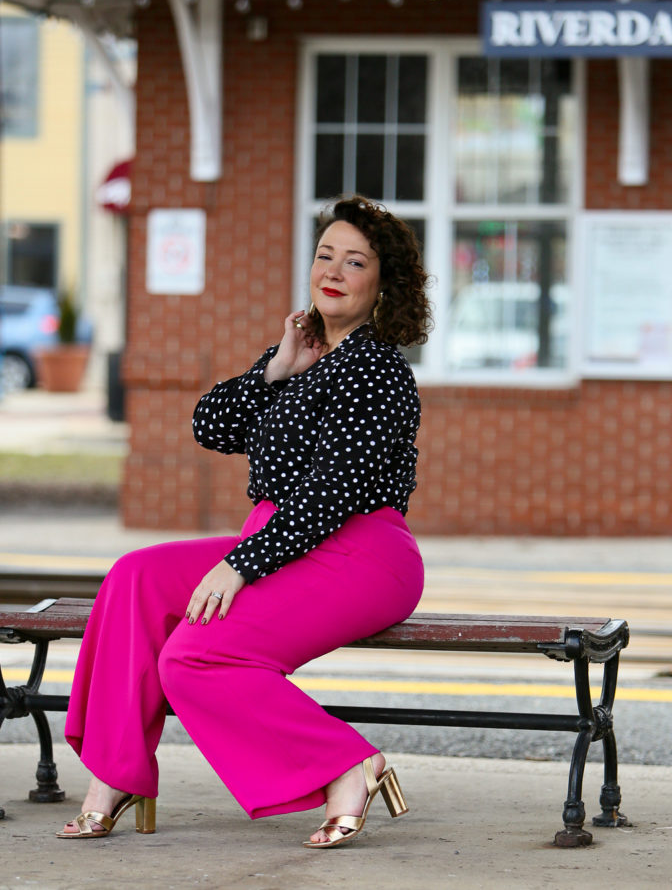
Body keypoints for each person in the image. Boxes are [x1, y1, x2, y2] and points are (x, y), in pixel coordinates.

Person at [57, 194, 432, 849]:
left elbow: (333, 491)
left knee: (198, 656)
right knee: (134, 577)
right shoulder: (306, 357)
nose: (333, 271)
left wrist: (240, 563)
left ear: (383, 283)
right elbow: (213, 423)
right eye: (325, 255)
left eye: (355, 261)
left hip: (359, 551)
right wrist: (278, 366)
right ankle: (116, 775)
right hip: (283, 537)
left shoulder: (376, 368)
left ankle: (347, 762)